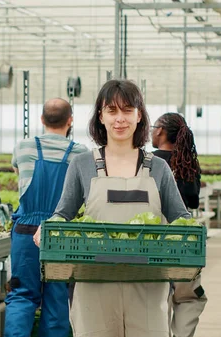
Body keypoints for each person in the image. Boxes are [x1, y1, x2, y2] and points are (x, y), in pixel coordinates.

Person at [34, 79, 191, 337]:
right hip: (94, 284)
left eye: (127, 110)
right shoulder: (82, 164)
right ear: (101, 116)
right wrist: (48, 228)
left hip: (148, 285)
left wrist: (187, 237)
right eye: (112, 111)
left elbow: (181, 218)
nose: (120, 119)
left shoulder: (158, 168)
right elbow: (63, 213)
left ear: (139, 116)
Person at [5, 98, 88, 337]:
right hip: (61, 233)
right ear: (70, 121)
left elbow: (18, 174)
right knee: (56, 294)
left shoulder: (23, 147)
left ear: (41, 119)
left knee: (22, 294)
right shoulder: (80, 153)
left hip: (26, 231)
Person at [151, 112, 205, 337]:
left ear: (161, 131)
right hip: (184, 239)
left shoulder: (147, 161)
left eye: (153, 127)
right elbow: (193, 201)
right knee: (189, 296)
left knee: (157, 296)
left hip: (152, 238)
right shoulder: (188, 164)